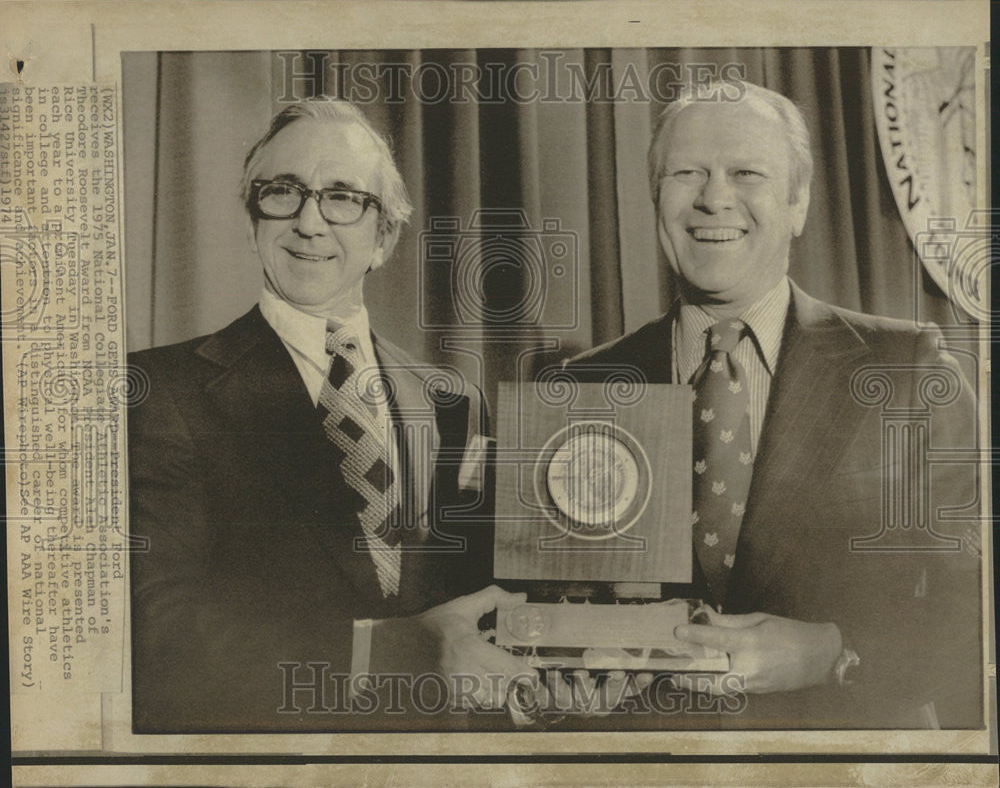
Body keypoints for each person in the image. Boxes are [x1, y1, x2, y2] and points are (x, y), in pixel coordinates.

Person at [561, 81, 982, 729]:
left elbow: (978, 605)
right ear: (656, 198)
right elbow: (557, 608)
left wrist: (835, 651)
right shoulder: (584, 385)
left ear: (798, 204)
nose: (713, 197)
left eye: (747, 172)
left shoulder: (909, 372)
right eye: (687, 173)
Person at [128, 100, 530, 732]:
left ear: (384, 237)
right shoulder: (158, 390)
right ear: (254, 219)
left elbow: (483, 600)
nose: (310, 223)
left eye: (343, 197)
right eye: (284, 193)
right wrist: (391, 654)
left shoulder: (454, 402)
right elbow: (157, 628)